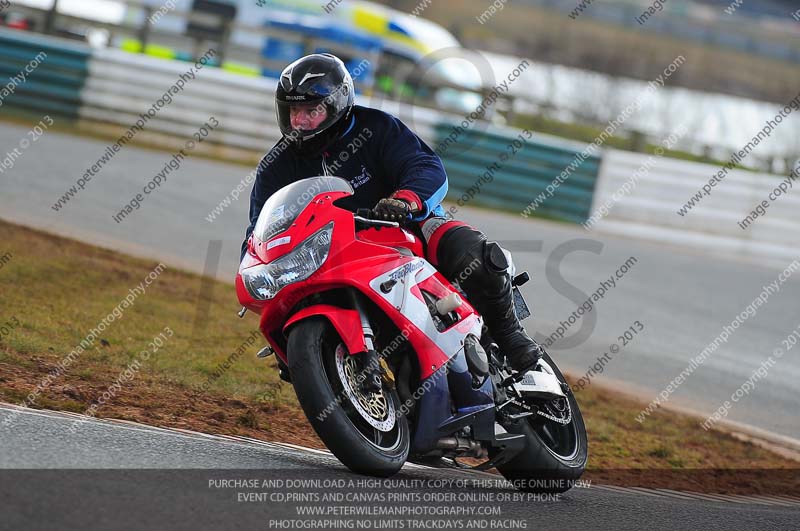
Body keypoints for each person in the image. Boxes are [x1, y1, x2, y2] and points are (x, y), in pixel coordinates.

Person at [241, 53, 542, 380]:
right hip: (333, 253)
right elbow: (260, 230)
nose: (299, 121)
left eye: (311, 111)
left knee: (470, 251)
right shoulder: (276, 165)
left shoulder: (376, 128)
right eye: (293, 111)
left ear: (337, 105)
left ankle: (509, 332)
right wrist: (256, 267)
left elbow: (426, 168)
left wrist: (406, 201)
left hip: (406, 230)